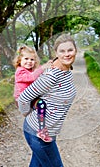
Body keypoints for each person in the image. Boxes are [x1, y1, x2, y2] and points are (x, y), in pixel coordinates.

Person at [17, 34, 77, 167]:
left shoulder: (66, 71)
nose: (67, 54)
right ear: (56, 53)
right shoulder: (52, 75)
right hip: (37, 134)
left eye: (70, 50)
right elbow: (23, 98)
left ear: (75, 51)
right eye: (62, 51)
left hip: (49, 132)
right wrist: (27, 114)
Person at [13, 45, 53, 142]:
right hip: (23, 100)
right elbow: (31, 77)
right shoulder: (20, 71)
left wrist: (48, 66)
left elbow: (39, 74)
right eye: (26, 58)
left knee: (44, 103)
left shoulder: (31, 70)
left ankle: (42, 127)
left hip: (31, 97)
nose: (29, 61)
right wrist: (43, 68)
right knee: (37, 107)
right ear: (19, 60)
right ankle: (39, 129)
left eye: (32, 59)